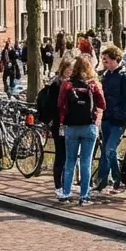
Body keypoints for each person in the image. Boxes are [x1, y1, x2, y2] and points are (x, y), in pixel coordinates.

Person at [95, 44, 126, 194]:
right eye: (103, 60)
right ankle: (119, 181)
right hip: (106, 119)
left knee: (108, 150)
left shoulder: (125, 76)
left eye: (107, 60)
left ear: (116, 60)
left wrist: (122, 116)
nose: (104, 63)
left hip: (118, 121)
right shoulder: (106, 76)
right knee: (110, 151)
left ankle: (101, 183)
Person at [57, 56, 106, 206]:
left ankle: (65, 193)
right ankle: (84, 197)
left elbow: (60, 104)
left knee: (70, 161)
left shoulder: (67, 85)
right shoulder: (93, 85)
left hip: (71, 127)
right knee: (86, 162)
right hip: (89, 127)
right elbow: (102, 105)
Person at [36, 58, 74, 195]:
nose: (70, 71)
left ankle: (66, 183)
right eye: (69, 69)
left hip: (68, 124)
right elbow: (52, 105)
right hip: (59, 124)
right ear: (63, 68)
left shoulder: (71, 83)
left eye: (72, 69)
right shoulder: (57, 84)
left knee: (69, 154)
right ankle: (59, 185)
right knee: (61, 154)